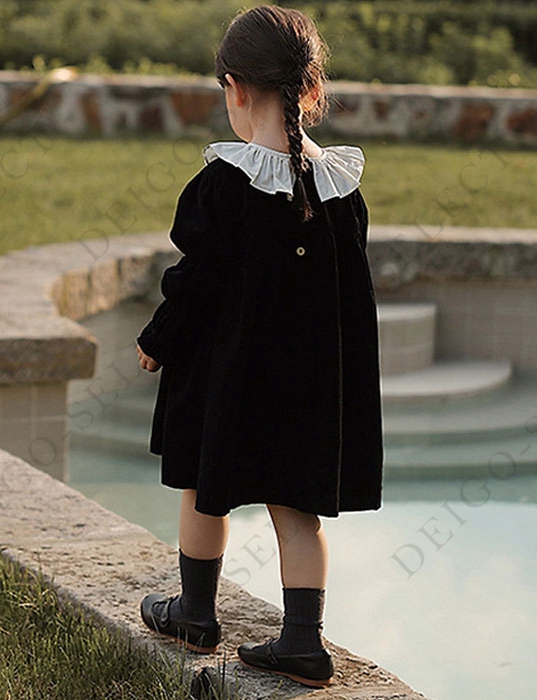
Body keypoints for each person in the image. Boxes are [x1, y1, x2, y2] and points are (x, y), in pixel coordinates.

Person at [134, 4, 384, 689]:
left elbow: (198, 279)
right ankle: (303, 641)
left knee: (202, 488)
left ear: (235, 88)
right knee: (297, 510)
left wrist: (158, 340)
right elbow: (350, 298)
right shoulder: (340, 189)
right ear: (310, 87)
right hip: (307, 385)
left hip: (228, 380)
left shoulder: (226, 183)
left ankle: (195, 612)